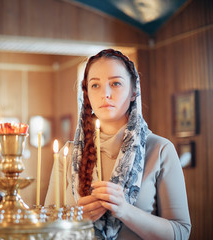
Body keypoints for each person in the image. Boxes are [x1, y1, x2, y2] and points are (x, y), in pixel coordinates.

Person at [45, 49, 191, 239]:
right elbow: (47, 226)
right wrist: (76, 220)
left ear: (133, 92)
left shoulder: (160, 149)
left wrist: (124, 210)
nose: (105, 94)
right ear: (87, 94)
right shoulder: (69, 154)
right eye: (95, 85)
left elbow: (181, 233)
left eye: (115, 83)